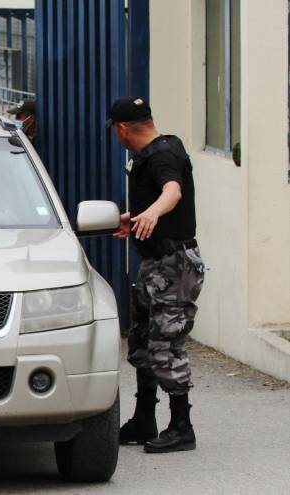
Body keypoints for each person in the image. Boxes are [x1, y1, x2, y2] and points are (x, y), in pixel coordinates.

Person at [107, 96, 206, 454]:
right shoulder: (159, 149)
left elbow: (172, 191)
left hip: (174, 266)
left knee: (166, 343)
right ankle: (144, 417)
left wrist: (151, 214)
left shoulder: (163, 156)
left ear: (121, 129)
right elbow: (159, 195)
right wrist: (136, 216)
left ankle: (182, 426)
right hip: (154, 265)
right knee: (143, 340)